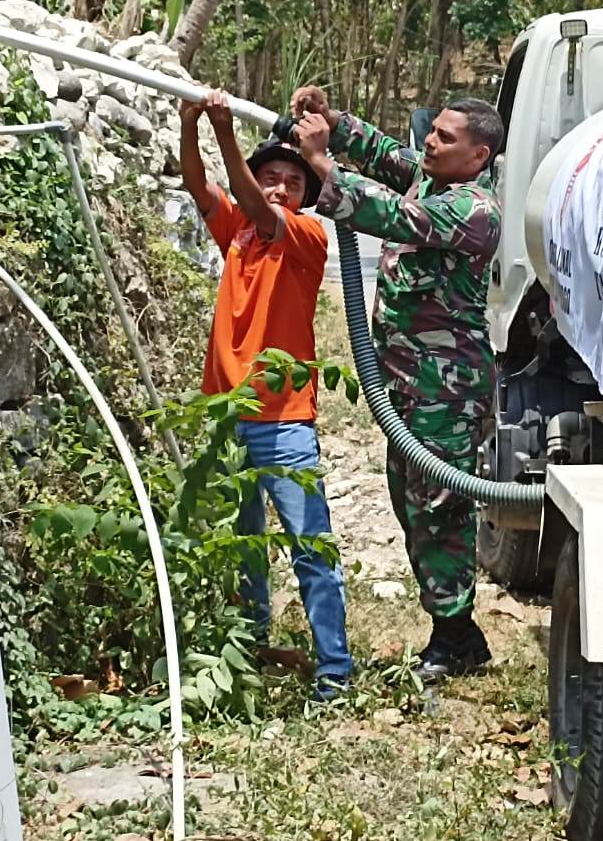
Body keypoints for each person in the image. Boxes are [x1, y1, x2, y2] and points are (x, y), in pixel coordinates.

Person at [289, 86, 503, 683]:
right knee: (410, 502)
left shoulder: (475, 210)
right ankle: (456, 629)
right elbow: (386, 155)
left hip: (446, 389)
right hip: (407, 384)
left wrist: (322, 165)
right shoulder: (430, 177)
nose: (429, 141)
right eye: (431, 130)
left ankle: (455, 636)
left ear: (478, 156)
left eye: (444, 137)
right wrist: (331, 120)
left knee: (439, 508)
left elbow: (391, 212)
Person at [179, 88, 352, 699]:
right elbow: (202, 189)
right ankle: (249, 649)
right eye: (269, 178)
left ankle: (334, 669)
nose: (280, 188)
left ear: (305, 197)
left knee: (308, 547)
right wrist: (189, 123)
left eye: (291, 181)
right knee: (243, 547)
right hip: (228, 415)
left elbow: (251, 203)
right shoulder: (238, 235)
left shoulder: (305, 238)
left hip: (283, 420)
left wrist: (227, 134)